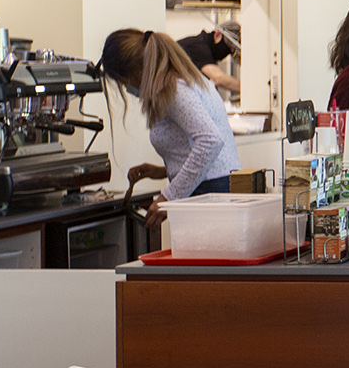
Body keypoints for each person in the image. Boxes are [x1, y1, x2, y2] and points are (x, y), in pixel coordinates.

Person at [99, 29, 242, 227]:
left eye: (124, 83)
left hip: (210, 192)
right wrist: (160, 171)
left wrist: (168, 197)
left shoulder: (176, 90)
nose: (126, 89)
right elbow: (196, 147)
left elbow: (211, 142)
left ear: (136, 72)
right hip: (213, 188)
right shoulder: (182, 82)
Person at [177, 24, 241, 95]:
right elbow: (219, 78)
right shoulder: (199, 47)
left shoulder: (201, 43)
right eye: (227, 48)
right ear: (217, 34)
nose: (226, 53)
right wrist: (248, 90)